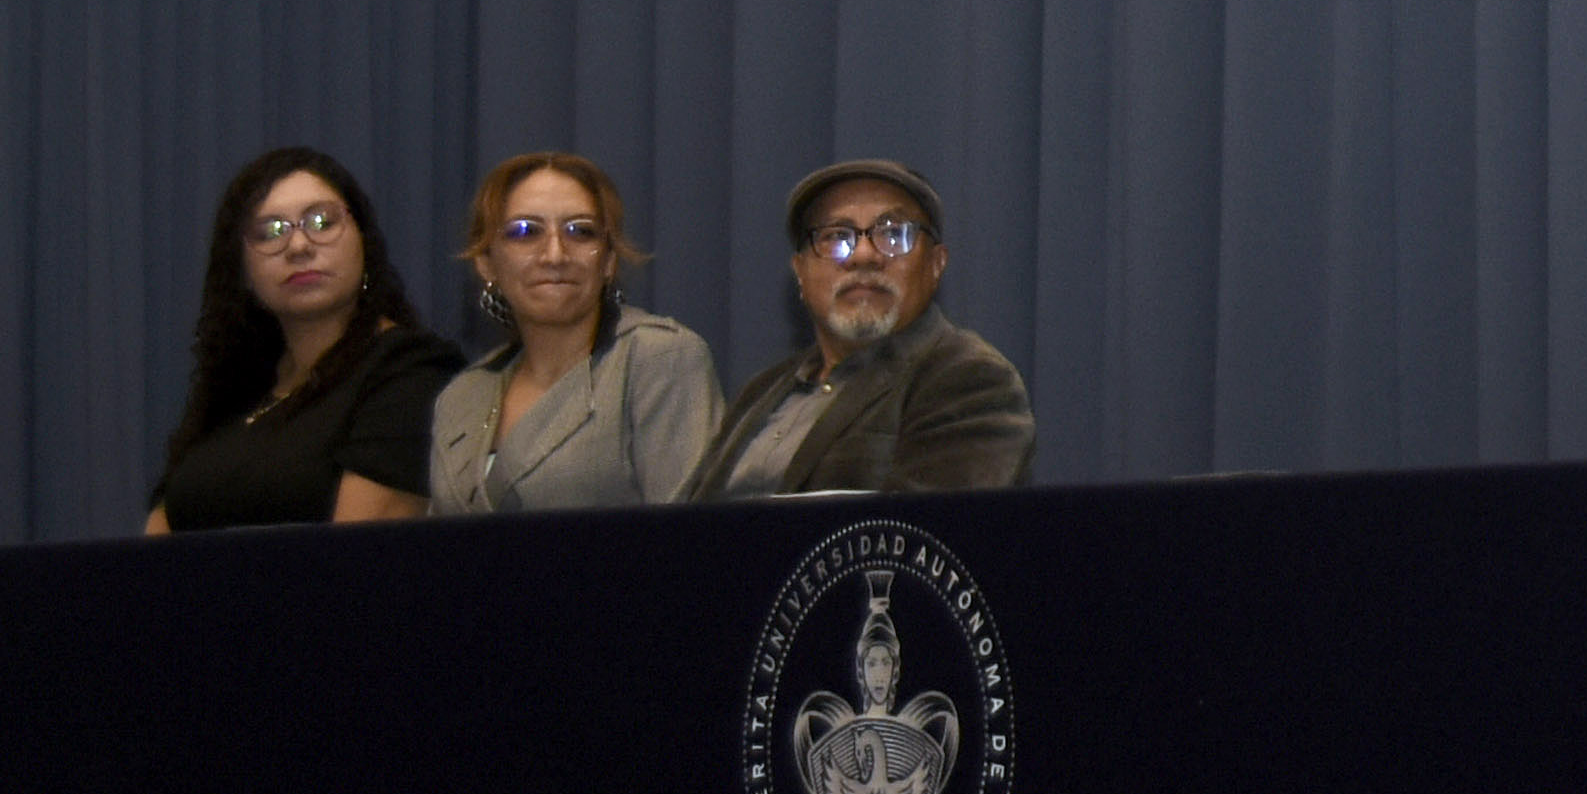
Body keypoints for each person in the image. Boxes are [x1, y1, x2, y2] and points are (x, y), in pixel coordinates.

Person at [677, 161, 1037, 499]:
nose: (863, 255)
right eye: (836, 236)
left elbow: (923, 542)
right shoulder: (760, 391)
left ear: (935, 264)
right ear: (800, 272)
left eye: (894, 234)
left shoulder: (968, 379)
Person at [145, 148, 461, 532]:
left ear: (363, 241)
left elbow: (359, 558)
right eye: (271, 232)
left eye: (322, 222)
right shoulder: (238, 383)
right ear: (242, 271)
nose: (299, 247)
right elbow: (159, 535)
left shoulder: (410, 371)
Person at [427, 152, 722, 513]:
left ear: (609, 260)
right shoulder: (461, 396)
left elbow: (692, 542)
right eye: (525, 231)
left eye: (580, 231)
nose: (554, 254)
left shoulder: (658, 359)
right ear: (486, 262)